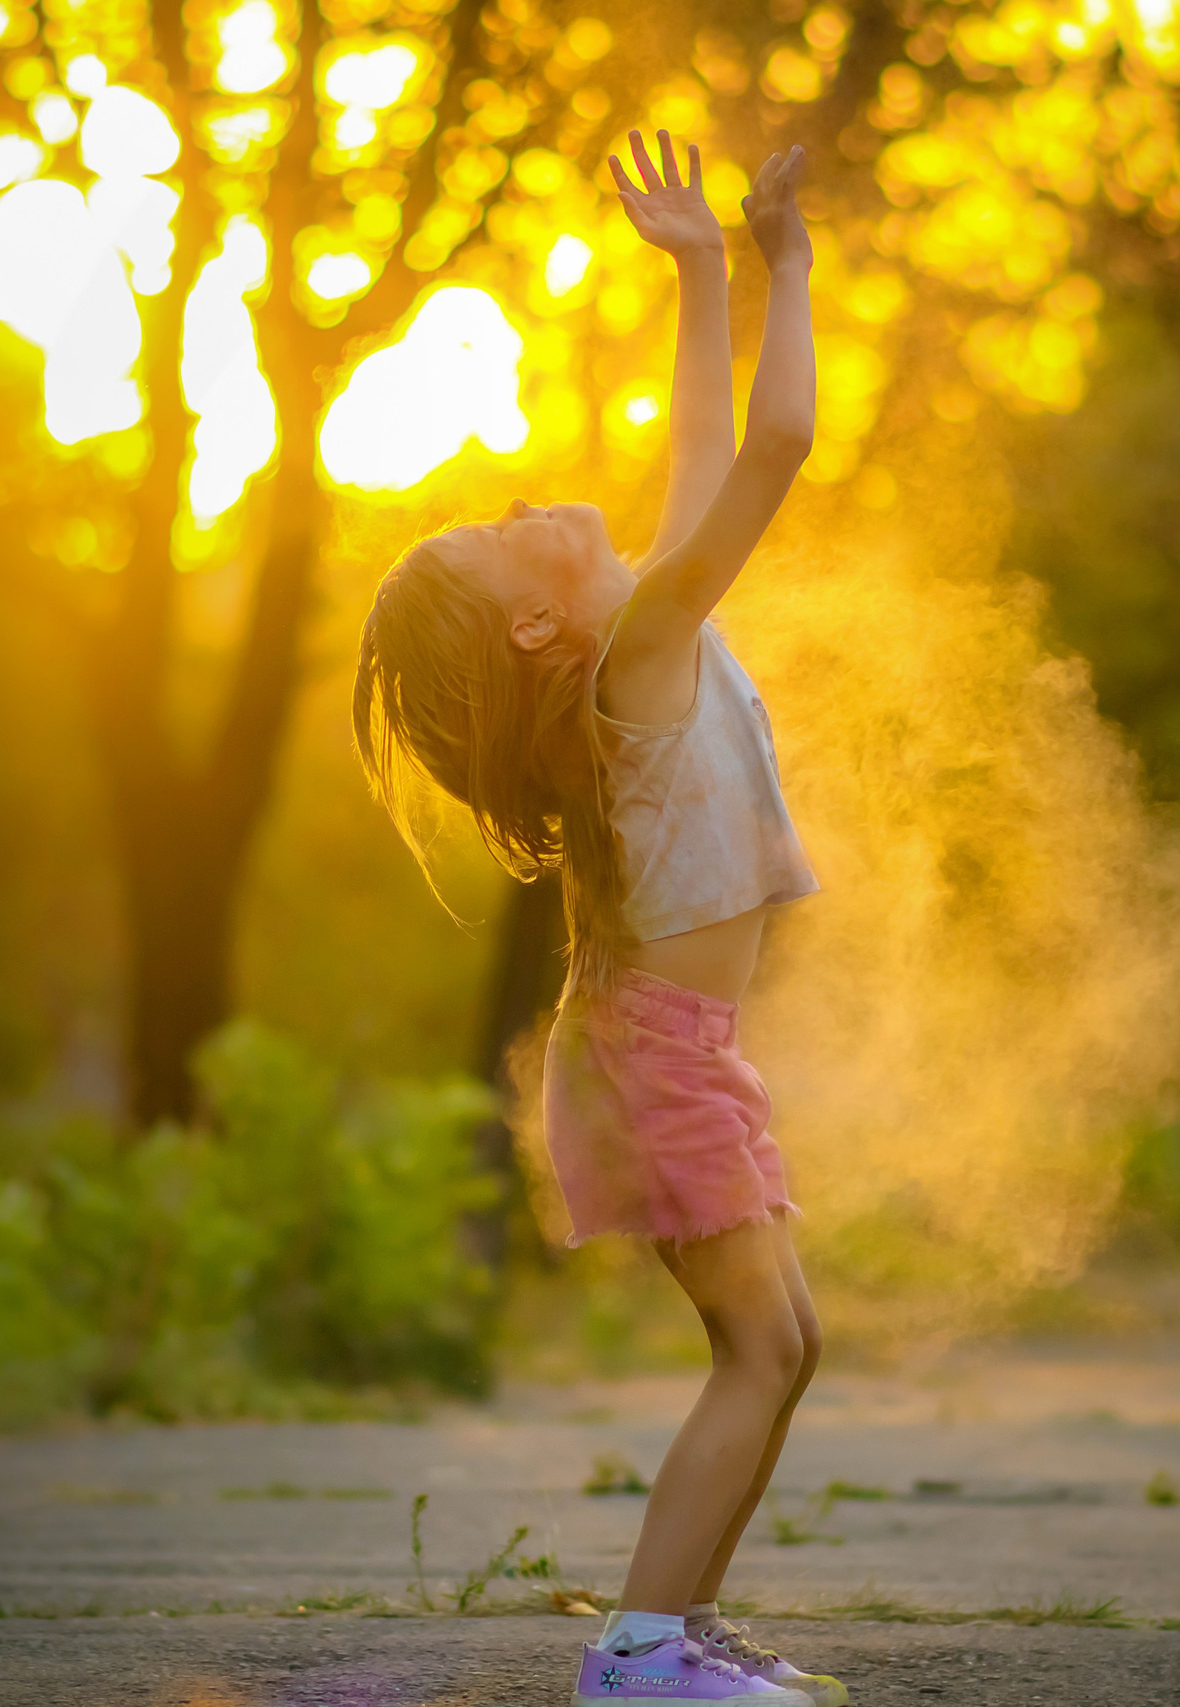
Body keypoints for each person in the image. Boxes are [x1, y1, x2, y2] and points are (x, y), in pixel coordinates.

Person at [353, 128, 842, 1707]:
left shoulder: (639, 626)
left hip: (663, 1046)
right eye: (496, 533)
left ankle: (675, 1642)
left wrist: (700, 268)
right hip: (656, 1053)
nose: (521, 502)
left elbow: (705, 456)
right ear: (534, 617)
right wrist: (790, 268)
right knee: (763, 1351)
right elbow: (771, 455)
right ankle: (638, 1660)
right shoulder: (638, 644)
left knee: (787, 1342)